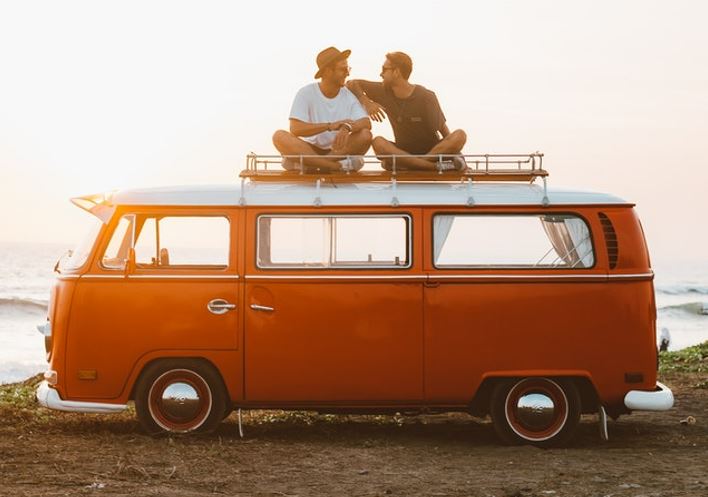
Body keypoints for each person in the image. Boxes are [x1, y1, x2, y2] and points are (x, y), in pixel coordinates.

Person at [347, 52, 467, 171]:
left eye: (384, 69)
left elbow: (443, 130)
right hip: (403, 151)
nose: (381, 74)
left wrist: (454, 149)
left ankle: (412, 165)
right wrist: (366, 102)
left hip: (432, 152)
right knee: (378, 142)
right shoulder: (383, 91)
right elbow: (352, 83)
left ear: (396, 72)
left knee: (460, 135)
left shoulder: (426, 96)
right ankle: (431, 167)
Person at [272, 47, 372, 172]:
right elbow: (295, 129)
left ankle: (316, 165)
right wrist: (329, 126)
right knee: (279, 136)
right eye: (343, 69)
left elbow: (366, 123)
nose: (348, 73)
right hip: (309, 149)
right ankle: (332, 166)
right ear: (328, 71)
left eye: (348, 69)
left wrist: (347, 127)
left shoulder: (348, 96)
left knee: (365, 135)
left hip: (337, 151)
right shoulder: (306, 93)